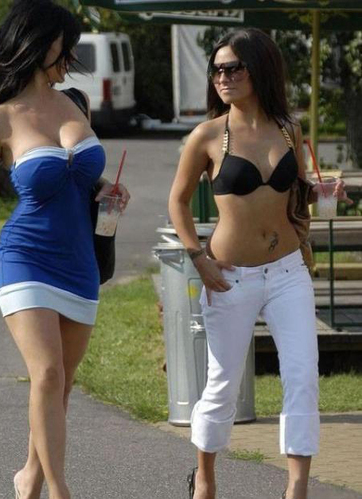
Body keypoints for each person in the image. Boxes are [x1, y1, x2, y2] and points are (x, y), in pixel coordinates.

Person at [0, 1, 129, 498]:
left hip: (80, 259)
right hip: (26, 256)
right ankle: (59, 490)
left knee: (61, 385)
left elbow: (80, 176)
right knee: (48, 374)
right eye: (65, 45)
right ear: (38, 43)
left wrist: (106, 187)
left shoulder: (76, 102)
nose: (71, 56)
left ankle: (30, 477)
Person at [168, 28, 350, 499]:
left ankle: (297, 488)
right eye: (217, 70)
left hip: (288, 271)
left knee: (302, 376)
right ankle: (205, 478)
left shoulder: (289, 128)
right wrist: (198, 259)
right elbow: (178, 202)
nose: (223, 77)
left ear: (260, 69)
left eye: (234, 68)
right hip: (229, 276)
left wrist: (320, 191)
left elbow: (295, 191)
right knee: (223, 383)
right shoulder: (208, 136)